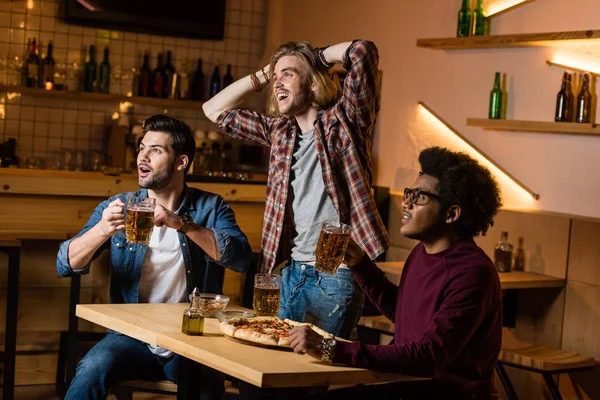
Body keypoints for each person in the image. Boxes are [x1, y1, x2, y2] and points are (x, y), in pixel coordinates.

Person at [203, 40, 389, 340]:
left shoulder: (346, 121)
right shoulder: (279, 131)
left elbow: (362, 51)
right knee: (275, 366)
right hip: (292, 272)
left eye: (288, 74)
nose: (277, 82)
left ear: (314, 82)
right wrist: (264, 74)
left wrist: (315, 57)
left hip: (337, 274)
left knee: (310, 373)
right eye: (275, 78)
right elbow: (213, 109)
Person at [56, 114, 252, 400]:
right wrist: (101, 230)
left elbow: (241, 259)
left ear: (181, 162)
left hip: (191, 336)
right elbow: (66, 263)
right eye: (141, 148)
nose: (142, 157)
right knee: (91, 368)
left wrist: (182, 224)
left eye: (156, 150)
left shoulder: (210, 207)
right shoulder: (118, 206)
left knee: (206, 384)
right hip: (130, 337)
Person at [289, 147, 504, 400]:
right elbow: (404, 313)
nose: (406, 202)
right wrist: (361, 265)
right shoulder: (421, 253)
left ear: (451, 214)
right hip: (411, 386)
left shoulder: (473, 273)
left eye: (419, 197)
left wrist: (331, 349)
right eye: (408, 193)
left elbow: (429, 357)